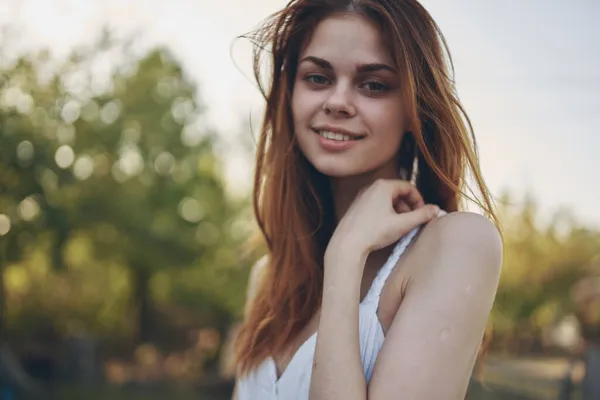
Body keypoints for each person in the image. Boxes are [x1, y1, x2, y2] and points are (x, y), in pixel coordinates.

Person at [232, 0, 503, 398]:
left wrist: (344, 256)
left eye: (373, 84)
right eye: (318, 78)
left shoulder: (458, 245)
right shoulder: (269, 277)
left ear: (416, 109)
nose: (338, 101)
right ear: (290, 96)